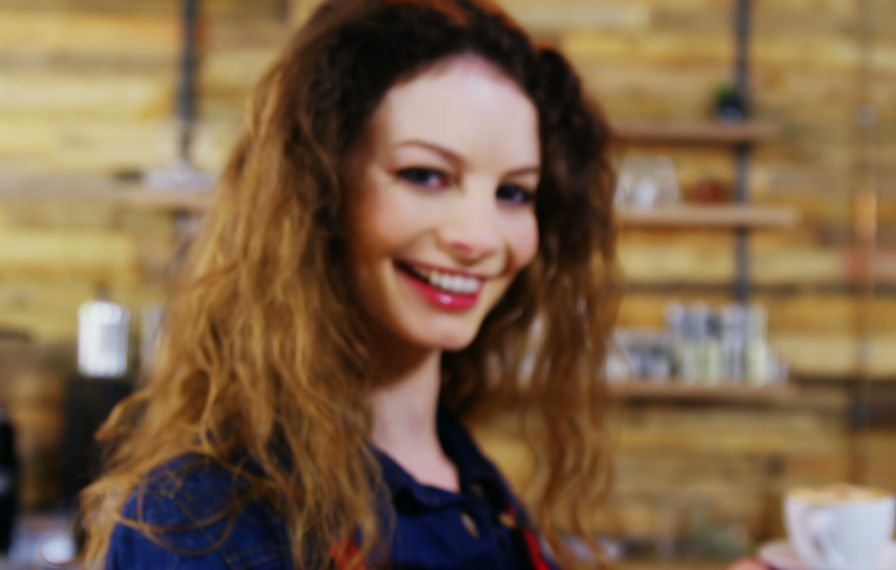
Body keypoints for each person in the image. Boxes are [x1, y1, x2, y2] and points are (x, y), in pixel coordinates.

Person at [78, 0, 618, 568]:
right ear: (321, 194)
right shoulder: (204, 516)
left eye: (513, 192)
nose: (480, 238)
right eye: (426, 176)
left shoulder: (479, 491)